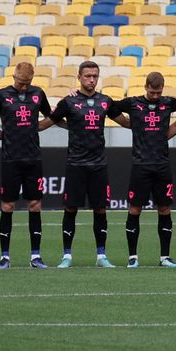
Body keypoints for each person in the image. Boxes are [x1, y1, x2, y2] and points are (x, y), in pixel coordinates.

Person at [113, 71, 176, 267]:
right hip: (140, 165)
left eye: (158, 92)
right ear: (145, 87)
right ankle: (133, 257)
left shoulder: (168, 102)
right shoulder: (133, 103)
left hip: (162, 164)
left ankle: (164, 257)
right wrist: (128, 124)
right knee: (135, 209)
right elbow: (108, 107)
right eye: (152, 92)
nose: (155, 96)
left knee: (165, 208)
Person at [0, 60, 56, 268]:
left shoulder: (38, 93)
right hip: (10, 159)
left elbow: (51, 116)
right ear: (14, 77)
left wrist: (37, 127)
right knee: (7, 205)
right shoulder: (2, 95)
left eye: (27, 83)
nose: (24, 87)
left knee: (35, 205)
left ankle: (35, 256)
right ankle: (5, 256)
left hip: (33, 158)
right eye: (21, 83)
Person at [51, 60, 116, 268]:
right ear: (79, 77)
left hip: (98, 164)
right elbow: (51, 118)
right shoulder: (69, 102)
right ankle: (67, 255)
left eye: (95, 76)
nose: (91, 79)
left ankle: (101, 256)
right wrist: (70, 126)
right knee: (71, 209)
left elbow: (124, 119)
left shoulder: (105, 101)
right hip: (76, 163)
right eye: (87, 76)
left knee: (100, 210)